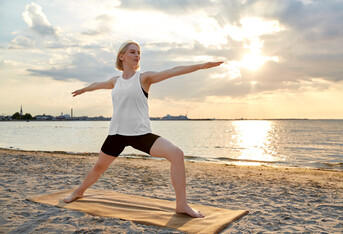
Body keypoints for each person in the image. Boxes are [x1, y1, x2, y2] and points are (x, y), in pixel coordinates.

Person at [64, 40, 223, 218]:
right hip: (116, 134)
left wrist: (201, 66)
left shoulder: (143, 78)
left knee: (177, 154)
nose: (137, 55)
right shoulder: (115, 81)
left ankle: (181, 205)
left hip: (140, 134)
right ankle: (79, 192)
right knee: (99, 168)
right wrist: (84, 90)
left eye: (139, 53)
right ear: (121, 56)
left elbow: (172, 71)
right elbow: (96, 84)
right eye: (132, 52)